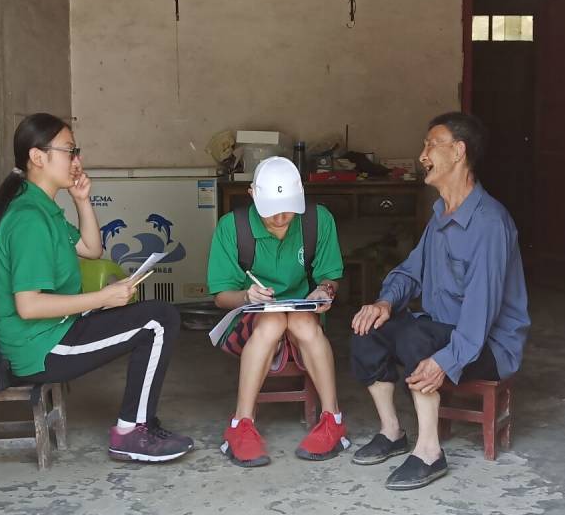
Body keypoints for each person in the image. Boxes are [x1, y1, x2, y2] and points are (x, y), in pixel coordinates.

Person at [0, 113, 193, 463]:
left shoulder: (41, 207)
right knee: (159, 321)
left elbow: (91, 249)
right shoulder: (29, 219)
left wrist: (82, 199)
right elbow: (29, 306)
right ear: (38, 157)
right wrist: (103, 298)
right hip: (40, 347)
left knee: (159, 317)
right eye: (69, 151)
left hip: (54, 330)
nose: (77, 161)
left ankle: (138, 424)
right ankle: (131, 432)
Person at [350, 112, 529, 490]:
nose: (422, 155)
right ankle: (392, 432)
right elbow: (411, 271)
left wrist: (446, 360)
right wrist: (383, 304)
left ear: (458, 151)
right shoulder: (441, 216)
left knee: (417, 338)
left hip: (488, 346)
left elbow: (480, 314)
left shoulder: (489, 223)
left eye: (431, 145)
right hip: (442, 328)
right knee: (368, 329)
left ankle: (429, 452)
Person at [206, 156, 348, 467]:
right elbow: (221, 297)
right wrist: (246, 295)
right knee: (271, 322)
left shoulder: (317, 220)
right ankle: (241, 424)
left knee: (302, 322)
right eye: (271, 210)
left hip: (302, 312)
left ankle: (332, 419)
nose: (281, 218)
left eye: (288, 209)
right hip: (252, 316)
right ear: (252, 195)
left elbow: (329, 276)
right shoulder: (233, 227)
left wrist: (325, 290)